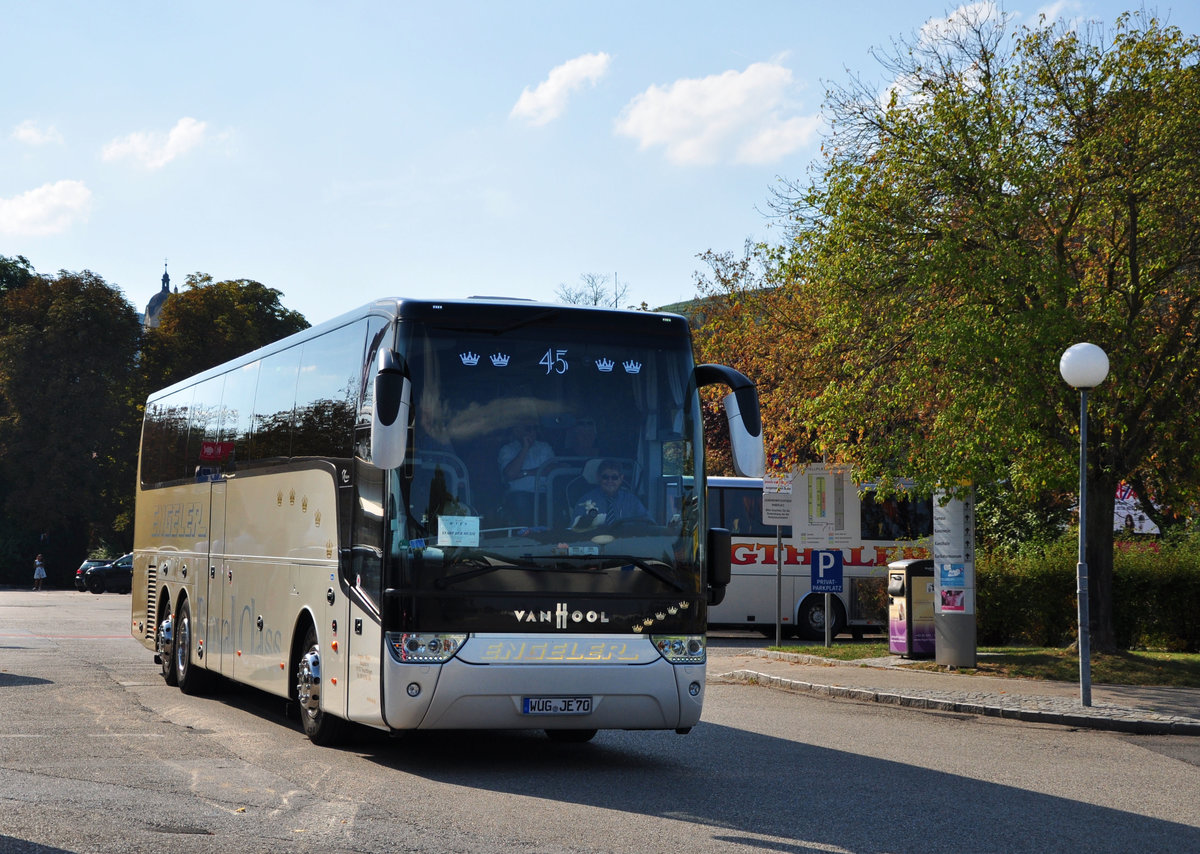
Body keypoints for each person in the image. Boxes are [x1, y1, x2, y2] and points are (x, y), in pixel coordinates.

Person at [497, 421, 555, 522]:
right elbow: (510, 474)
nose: (532, 431)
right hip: (518, 494)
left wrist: (525, 473)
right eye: (528, 428)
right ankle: (527, 534)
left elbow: (551, 469)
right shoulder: (507, 449)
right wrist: (525, 448)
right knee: (520, 500)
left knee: (555, 500)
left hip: (544, 493)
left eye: (534, 428)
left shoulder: (544, 447)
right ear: (516, 431)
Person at [571, 460, 650, 529]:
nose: (610, 481)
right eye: (605, 477)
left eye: (614, 477)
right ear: (598, 477)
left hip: (626, 543)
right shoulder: (585, 501)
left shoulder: (632, 501)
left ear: (621, 478)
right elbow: (575, 529)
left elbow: (648, 524)